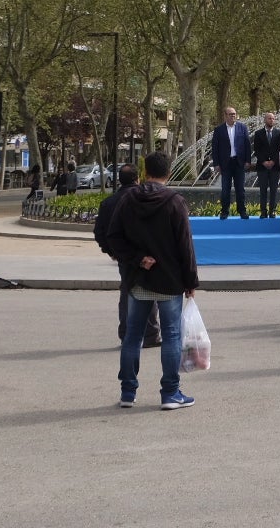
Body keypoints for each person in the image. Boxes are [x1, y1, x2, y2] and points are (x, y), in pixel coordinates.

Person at [105, 151, 201, 409]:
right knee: (171, 335)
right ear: (169, 173)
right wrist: (191, 281)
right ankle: (170, 392)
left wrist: (138, 259)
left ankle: (128, 392)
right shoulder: (175, 201)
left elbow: (113, 237)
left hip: (139, 279)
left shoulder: (128, 199)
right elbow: (185, 245)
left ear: (144, 172)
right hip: (169, 280)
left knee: (133, 336)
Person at [94, 165, 158, 347]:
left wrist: (112, 252)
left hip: (123, 255)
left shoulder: (109, 202)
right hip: (146, 254)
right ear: (138, 179)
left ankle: (127, 333)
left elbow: (99, 232)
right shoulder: (145, 199)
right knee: (148, 290)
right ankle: (150, 333)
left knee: (127, 290)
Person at [209, 105, 251, 219]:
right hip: (225, 164)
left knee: (240, 189)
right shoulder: (219, 130)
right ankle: (224, 211)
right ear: (225, 116)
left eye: (234, 114)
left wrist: (248, 160)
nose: (233, 116)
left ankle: (242, 211)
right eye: (230, 114)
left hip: (239, 162)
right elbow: (215, 148)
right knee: (225, 189)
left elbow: (247, 145)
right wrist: (216, 164)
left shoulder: (242, 127)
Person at [252, 111, 280, 219]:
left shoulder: (278, 133)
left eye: (273, 118)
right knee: (263, 190)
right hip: (262, 167)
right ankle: (263, 211)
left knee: (274, 190)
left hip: (275, 167)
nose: (272, 120)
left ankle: (272, 211)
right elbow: (256, 150)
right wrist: (264, 162)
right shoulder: (258, 133)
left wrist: (273, 161)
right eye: (269, 118)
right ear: (265, 120)